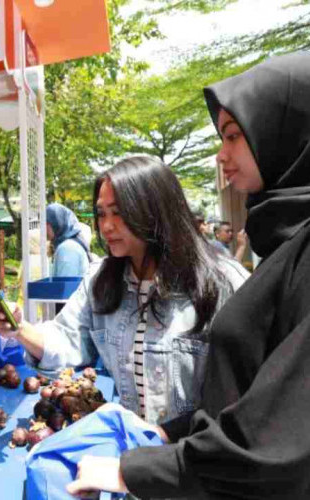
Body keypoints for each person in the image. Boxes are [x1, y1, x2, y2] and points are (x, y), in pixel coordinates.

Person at [68, 51, 310, 499]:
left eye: (234, 136)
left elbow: (276, 438)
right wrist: (165, 436)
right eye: (101, 214)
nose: (221, 155)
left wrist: (134, 470)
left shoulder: (232, 275)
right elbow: (240, 400)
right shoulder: (283, 247)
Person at [0, 156, 248, 425]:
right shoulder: (100, 280)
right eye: (101, 214)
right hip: (133, 456)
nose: (106, 226)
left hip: (199, 458)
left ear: (155, 209)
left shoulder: (222, 283)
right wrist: (19, 329)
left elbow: (246, 394)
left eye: (119, 212)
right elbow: (67, 338)